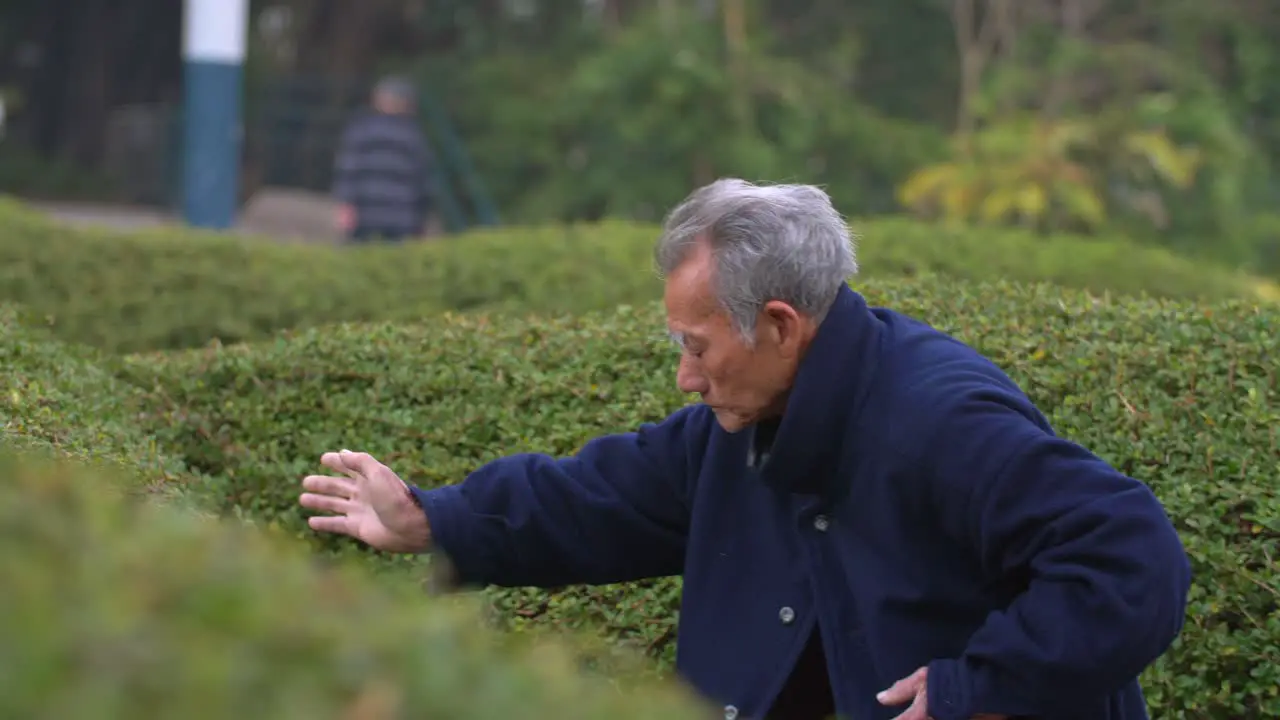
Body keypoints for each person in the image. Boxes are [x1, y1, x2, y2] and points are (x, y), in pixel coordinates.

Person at [298, 179, 1191, 720]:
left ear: (779, 324)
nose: (687, 379)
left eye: (697, 347)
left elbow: (1130, 558)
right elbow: (597, 497)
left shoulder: (941, 419)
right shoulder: (742, 420)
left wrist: (980, 687)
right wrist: (431, 516)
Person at [331, 75, 435, 242]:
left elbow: (348, 169)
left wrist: (346, 203)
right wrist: (421, 216)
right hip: (402, 215)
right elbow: (422, 180)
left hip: (366, 212)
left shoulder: (360, 130)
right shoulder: (413, 135)